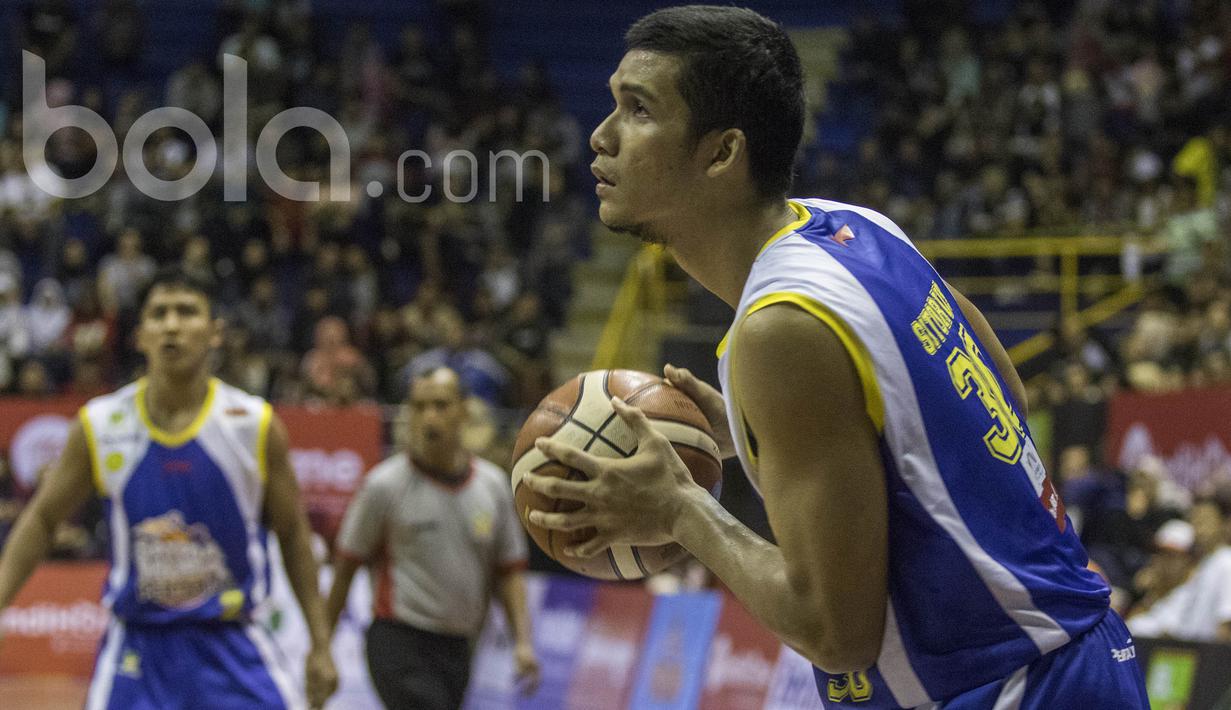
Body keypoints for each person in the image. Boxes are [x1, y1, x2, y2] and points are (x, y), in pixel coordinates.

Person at [521, 6, 1148, 708]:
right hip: (1074, 656)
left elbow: (835, 632)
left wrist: (681, 510)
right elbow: (1002, 390)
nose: (600, 136)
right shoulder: (852, 227)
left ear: (721, 153)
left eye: (637, 111)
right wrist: (761, 430)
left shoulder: (781, 327)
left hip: (1011, 686)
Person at [0, 266, 338, 709]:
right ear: (140, 335)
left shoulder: (253, 424)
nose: (173, 325)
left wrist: (320, 642)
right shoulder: (100, 425)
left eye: (187, 311)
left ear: (215, 332)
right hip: (138, 647)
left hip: (231, 642)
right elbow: (43, 519)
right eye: (159, 314)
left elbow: (293, 534)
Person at [326, 366, 539, 710]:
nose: (429, 417)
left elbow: (508, 571)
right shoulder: (384, 485)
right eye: (419, 406)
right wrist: (322, 647)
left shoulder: (493, 486)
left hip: (460, 646)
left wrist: (523, 643)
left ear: (464, 411)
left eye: (440, 405)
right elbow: (345, 566)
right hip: (398, 640)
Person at [1127, 494, 1231, 642]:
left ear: (1224, 524)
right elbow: (1166, 620)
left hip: (1212, 657)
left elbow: (1227, 625)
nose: (1198, 528)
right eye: (1195, 520)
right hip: (1192, 652)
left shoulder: (1227, 563)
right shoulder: (1204, 566)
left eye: (1205, 520)